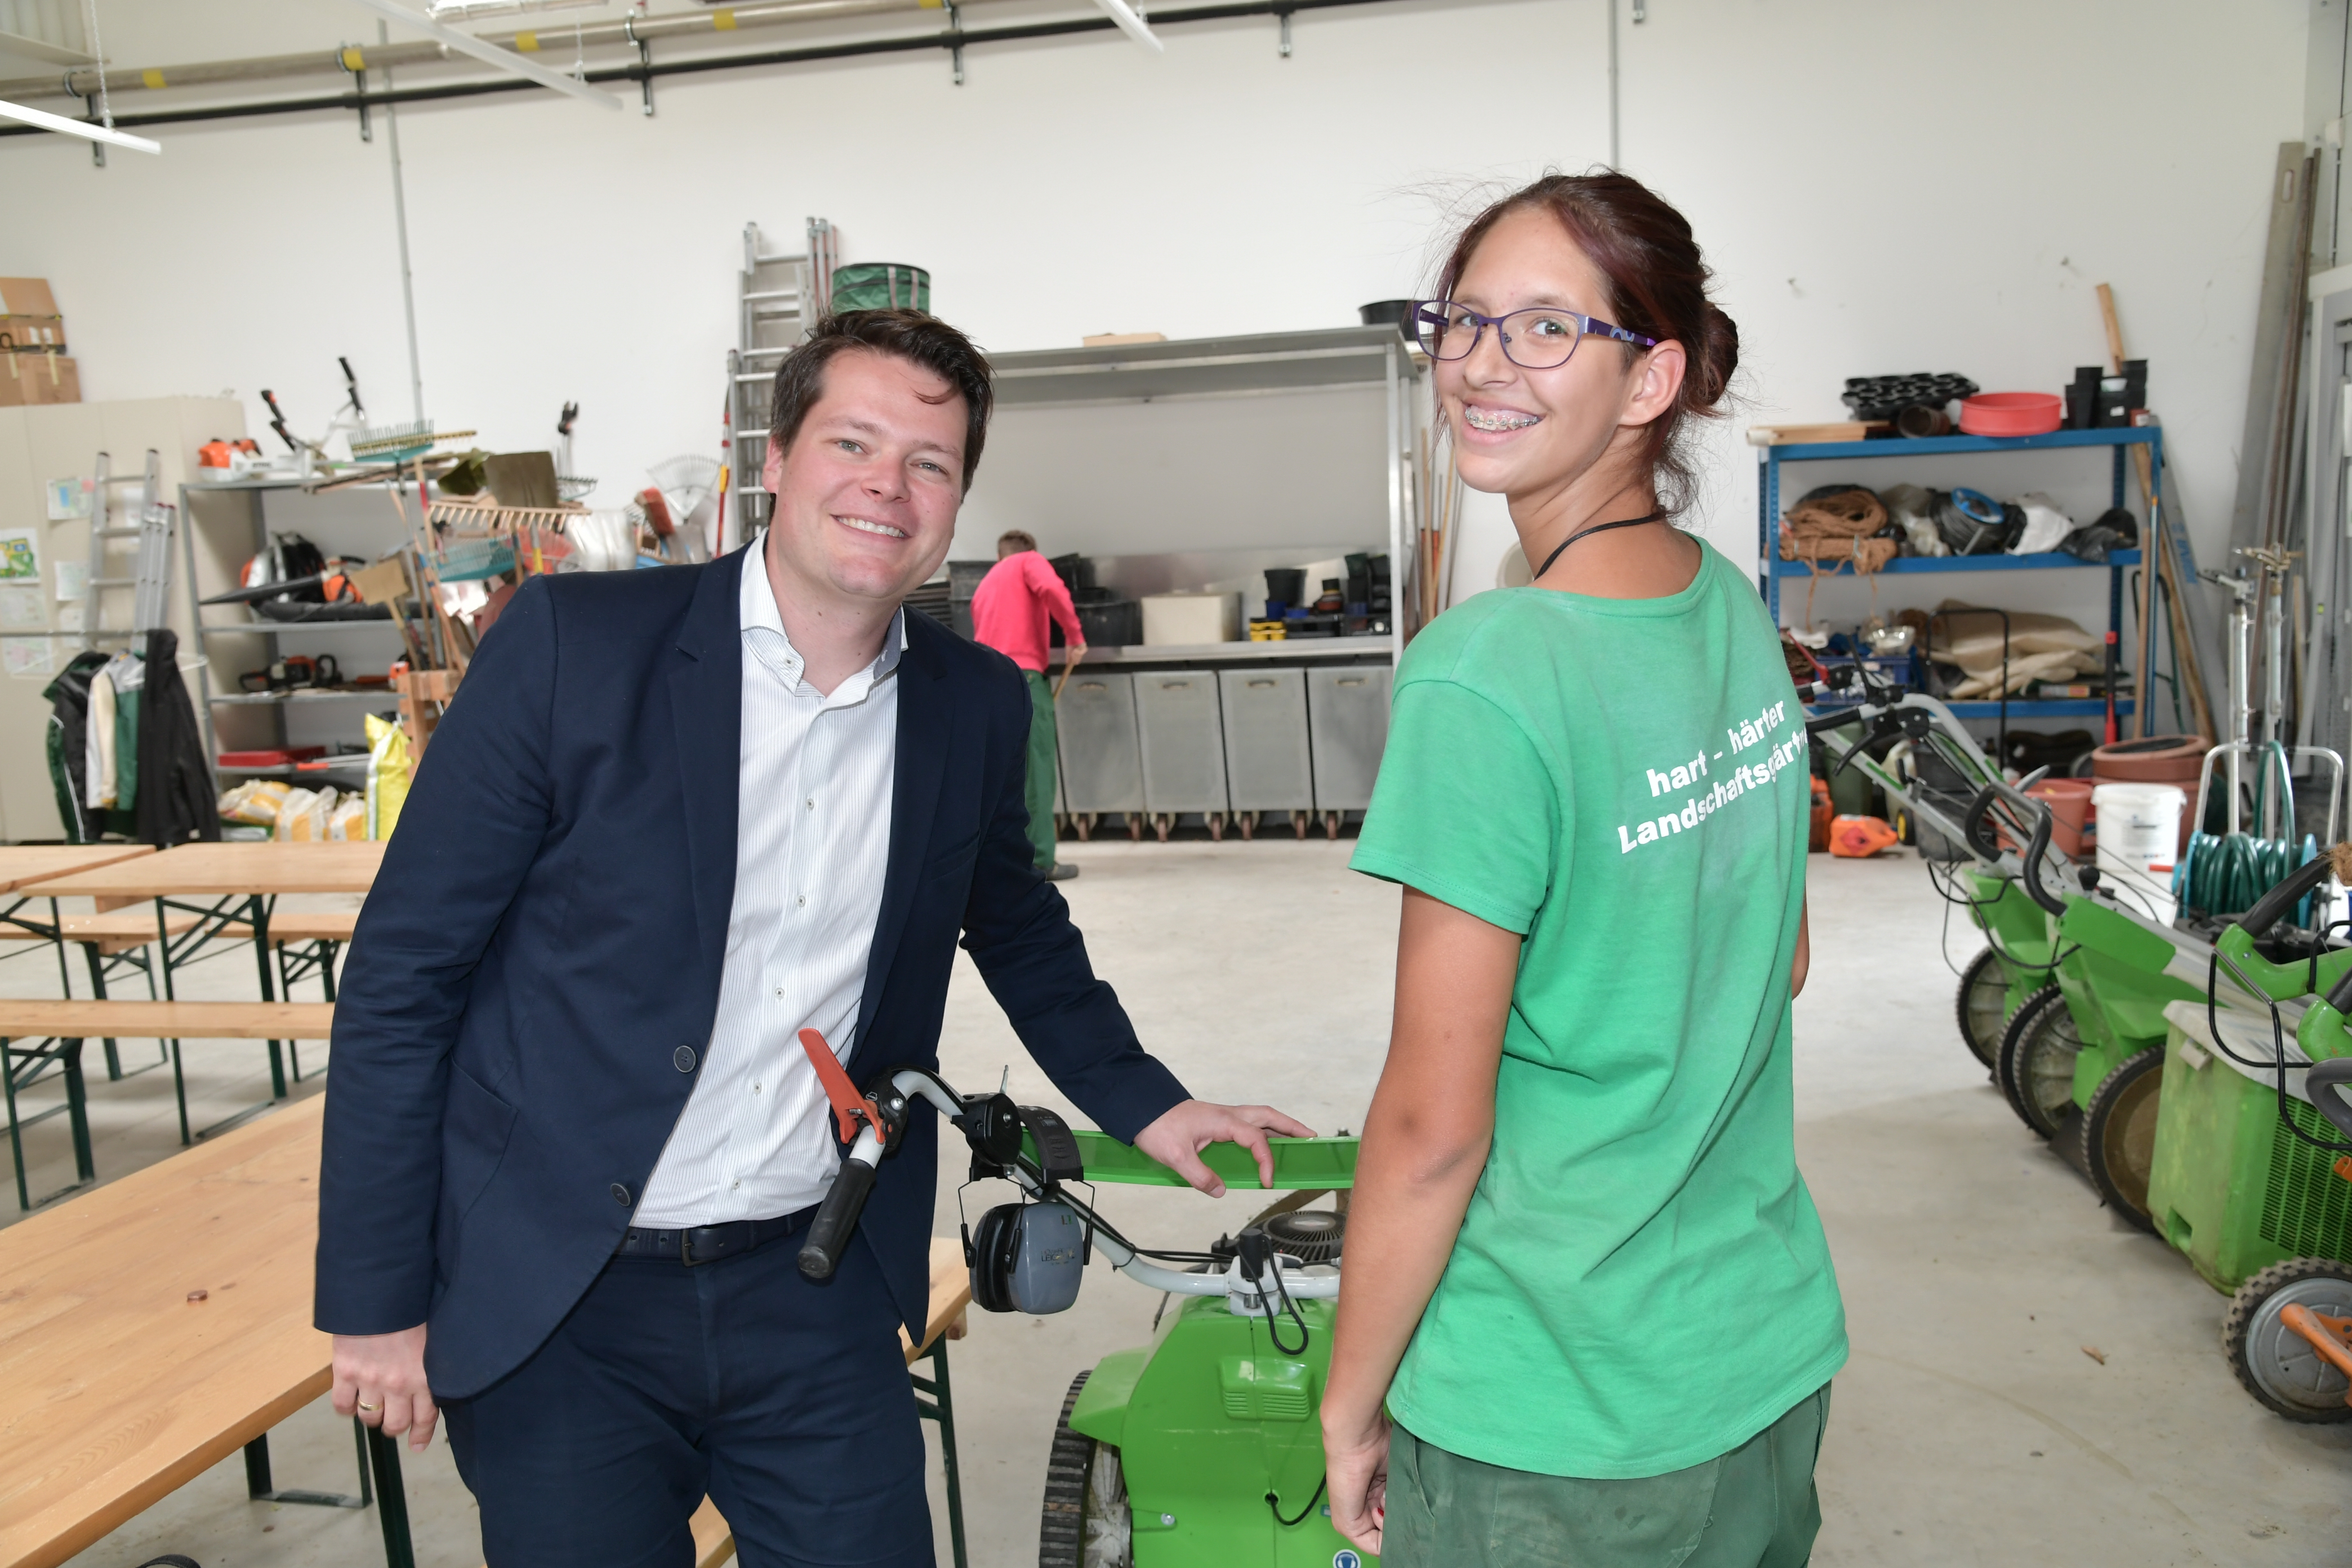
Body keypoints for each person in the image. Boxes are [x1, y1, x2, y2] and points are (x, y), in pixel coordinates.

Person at [315, 308, 1312, 1568]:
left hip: (814, 1279)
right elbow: (405, 979)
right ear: (775, 458)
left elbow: (1020, 931)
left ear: (957, 498)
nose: (887, 487)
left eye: (930, 463)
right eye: (852, 442)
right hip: (563, 1298)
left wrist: (1153, 1105)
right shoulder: (576, 649)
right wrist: (375, 1300)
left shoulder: (974, 708)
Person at [1320, 172, 1845, 1568]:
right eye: (1465, 320)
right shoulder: (1725, 606)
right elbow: (1778, 958)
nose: (1484, 364)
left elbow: (1433, 1125)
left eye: (1546, 328)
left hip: (1553, 1405)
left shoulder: (1485, 672)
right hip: (1757, 1349)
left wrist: (1348, 1397)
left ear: (1647, 378)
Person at [968, 528, 1085, 880]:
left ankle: (1005, 861)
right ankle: (1040, 861)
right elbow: (1053, 590)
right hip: (1025, 680)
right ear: (1031, 551)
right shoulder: (1030, 562)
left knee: (1003, 777)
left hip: (988, 683)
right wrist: (1075, 638)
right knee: (1037, 772)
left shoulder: (985, 583)